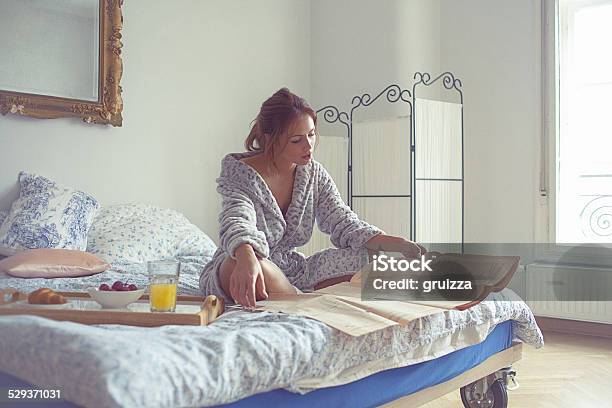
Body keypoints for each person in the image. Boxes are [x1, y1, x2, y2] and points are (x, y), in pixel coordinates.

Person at [200, 88, 425, 308]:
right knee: (253, 265)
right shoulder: (239, 173)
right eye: (296, 140)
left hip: (295, 270)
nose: (308, 146)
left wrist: (391, 243)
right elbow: (236, 219)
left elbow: (343, 222)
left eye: (311, 134)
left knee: (377, 260)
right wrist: (246, 254)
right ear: (271, 139)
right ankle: (302, 305)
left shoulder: (314, 174)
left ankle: (296, 297)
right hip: (242, 260)